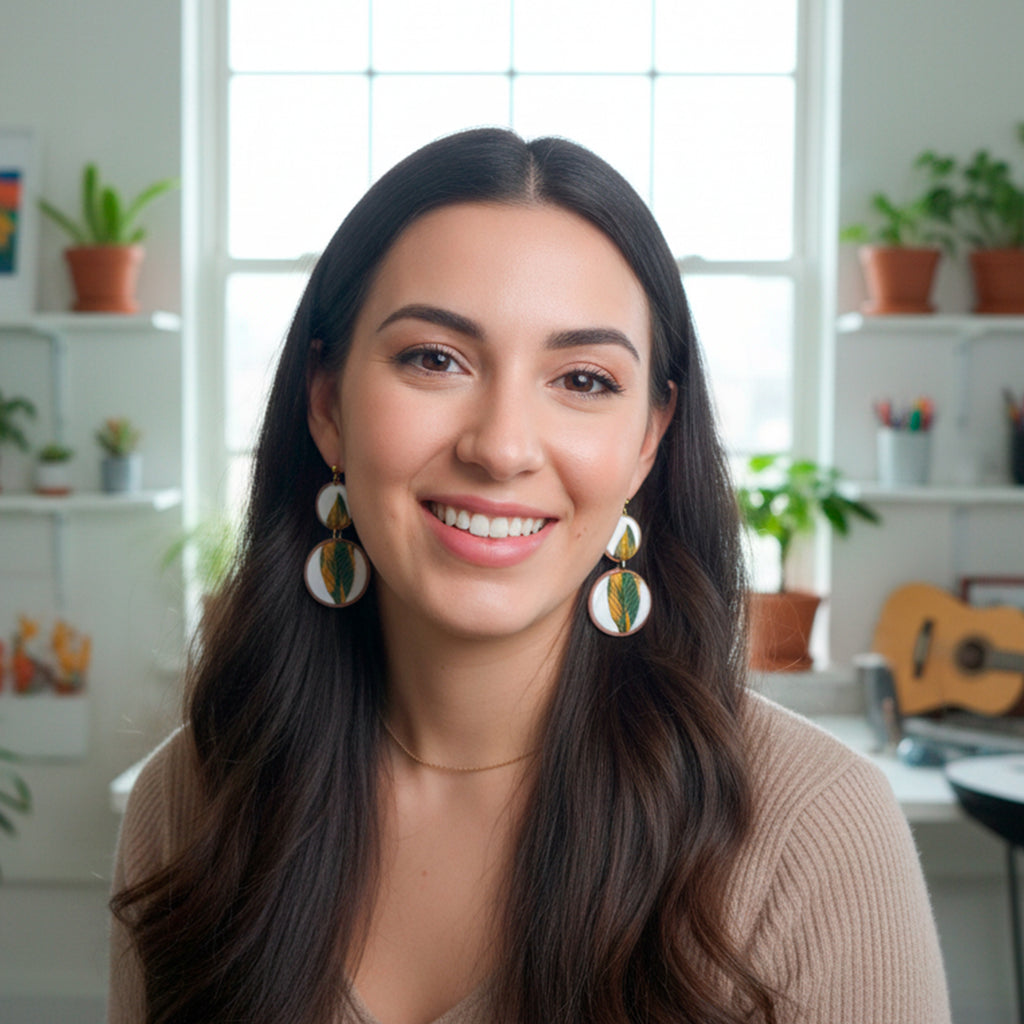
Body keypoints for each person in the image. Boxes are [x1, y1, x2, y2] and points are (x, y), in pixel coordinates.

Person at [108, 128, 950, 1024]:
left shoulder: (816, 831)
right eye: (435, 359)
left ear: (648, 441)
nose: (502, 447)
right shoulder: (195, 798)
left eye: (583, 379)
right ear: (327, 403)